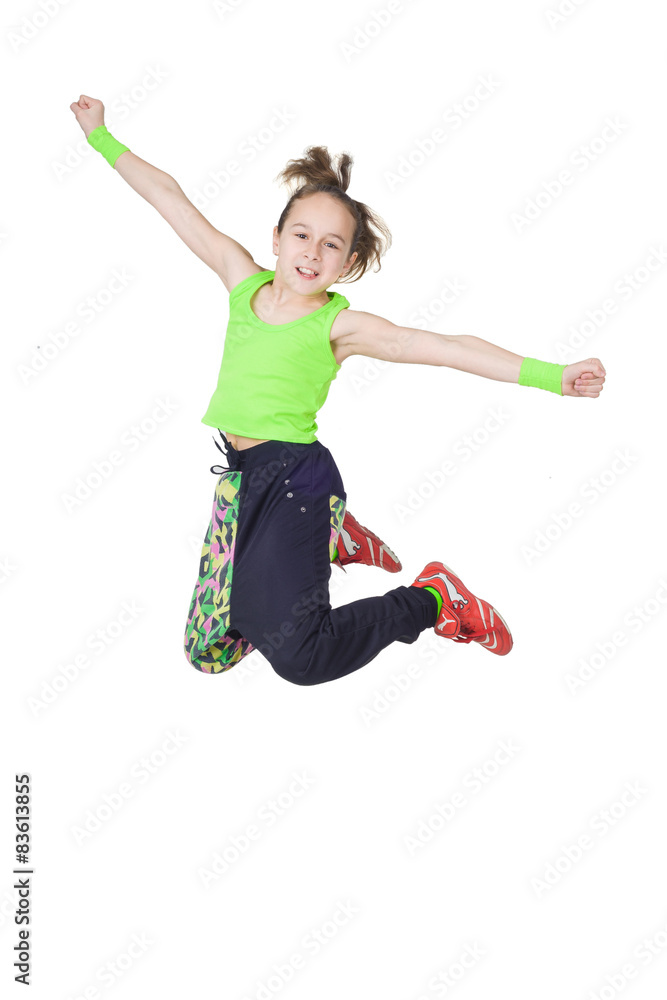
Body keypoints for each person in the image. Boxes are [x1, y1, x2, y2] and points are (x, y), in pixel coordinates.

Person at [70, 95, 607, 686]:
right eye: (302, 234)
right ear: (277, 239)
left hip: (295, 480)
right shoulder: (240, 280)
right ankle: (333, 534)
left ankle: (433, 598)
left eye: (331, 244)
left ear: (347, 262)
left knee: (303, 658)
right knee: (209, 650)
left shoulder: (337, 326)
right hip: (242, 479)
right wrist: (101, 136)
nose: (312, 251)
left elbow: (445, 346)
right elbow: (171, 200)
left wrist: (551, 376)